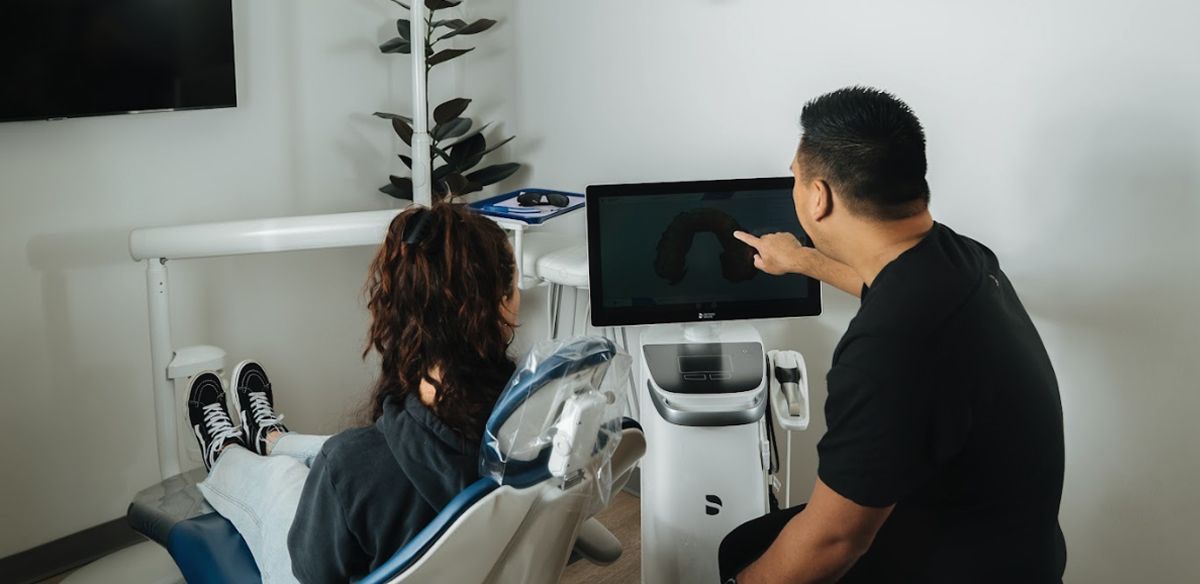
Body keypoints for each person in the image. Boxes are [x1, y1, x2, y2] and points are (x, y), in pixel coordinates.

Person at [720, 87, 1067, 583]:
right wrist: (800, 260)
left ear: (818, 197)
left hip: (965, 564)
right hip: (1014, 543)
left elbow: (835, 540)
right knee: (746, 541)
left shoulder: (888, 349)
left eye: (795, 178)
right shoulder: (960, 256)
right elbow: (886, 287)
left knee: (745, 559)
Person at [184, 203, 521, 583]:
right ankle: (272, 438)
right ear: (503, 307)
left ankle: (225, 451)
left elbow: (311, 570)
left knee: (282, 481)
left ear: (402, 313)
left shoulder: (353, 465)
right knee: (332, 458)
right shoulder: (527, 421)